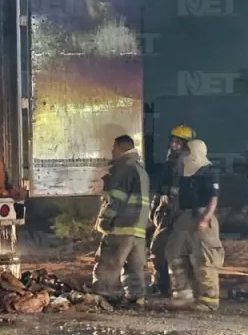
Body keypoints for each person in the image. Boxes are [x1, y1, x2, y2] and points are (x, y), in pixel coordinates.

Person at [166, 138, 225, 311]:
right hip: (184, 217)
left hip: (201, 216)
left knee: (205, 258)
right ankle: (183, 294)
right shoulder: (183, 172)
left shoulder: (209, 171)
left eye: (187, 151)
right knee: (174, 253)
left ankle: (209, 300)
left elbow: (213, 197)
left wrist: (205, 218)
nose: (183, 154)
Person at [93, 134, 152, 305]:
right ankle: (136, 298)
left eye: (113, 148)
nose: (112, 152)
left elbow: (116, 198)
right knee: (135, 267)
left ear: (121, 148)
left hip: (121, 226)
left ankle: (104, 296)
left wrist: (105, 220)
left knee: (109, 263)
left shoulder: (123, 168)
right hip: (138, 229)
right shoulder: (140, 169)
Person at [148, 124, 194, 296]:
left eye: (178, 143)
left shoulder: (192, 167)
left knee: (177, 251)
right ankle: (162, 285)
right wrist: (154, 210)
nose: (173, 146)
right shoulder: (167, 166)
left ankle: (181, 287)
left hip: (182, 215)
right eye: (173, 142)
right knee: (158, 249)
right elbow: (158, 191)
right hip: (166, 214)